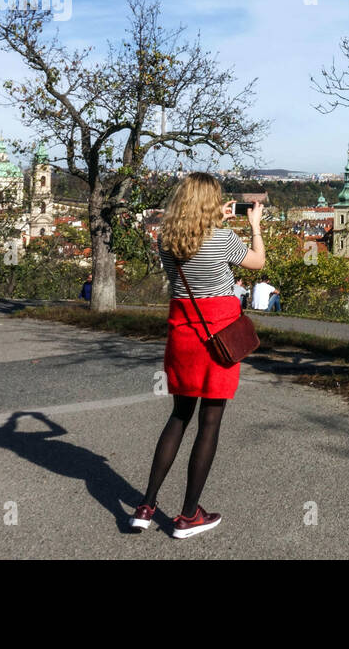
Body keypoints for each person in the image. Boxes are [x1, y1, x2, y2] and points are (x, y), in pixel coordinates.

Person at [131, 172, 264, 539]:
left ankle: (146, 504)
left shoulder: (167, 240)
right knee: (210, 423)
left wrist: (214, 219)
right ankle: (189, 515)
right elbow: (256, 263)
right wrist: (253, 226)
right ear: (211, 203)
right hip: (218, 339)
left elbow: (192, 250)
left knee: (178, 416)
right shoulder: (223, 239)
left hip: (183, 337)